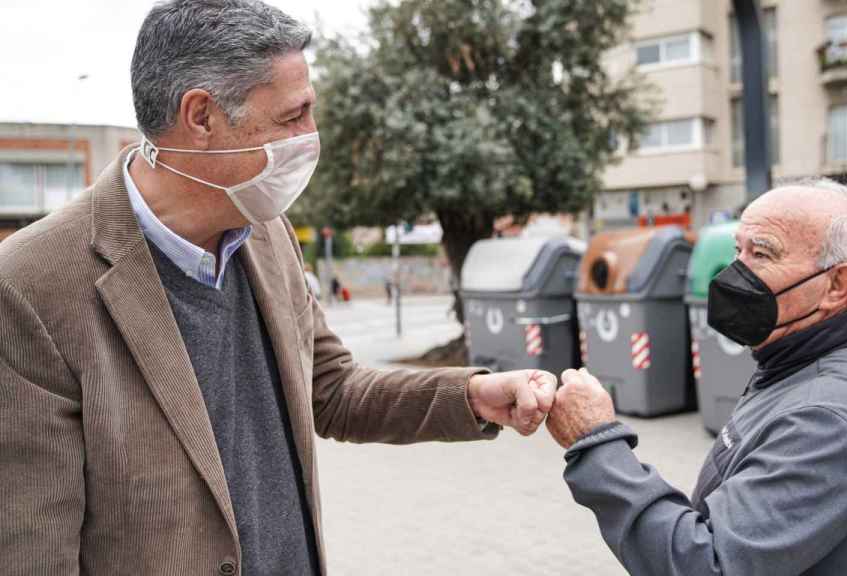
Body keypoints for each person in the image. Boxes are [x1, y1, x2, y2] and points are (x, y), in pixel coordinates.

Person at [0, 1, 556, 574]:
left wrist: (470, 396)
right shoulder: (31, 284)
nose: (309, 137)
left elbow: (332, 389)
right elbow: (33, 551)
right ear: (201, 116)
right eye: (294, 116)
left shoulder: (265, 230)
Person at [546, 179, 847, 576]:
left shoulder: (830, 420)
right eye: (737, 250)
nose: (735, 272)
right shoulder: (796, 365)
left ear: (836, 285)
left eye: (761, 253)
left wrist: (596, 444)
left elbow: (706, 564)